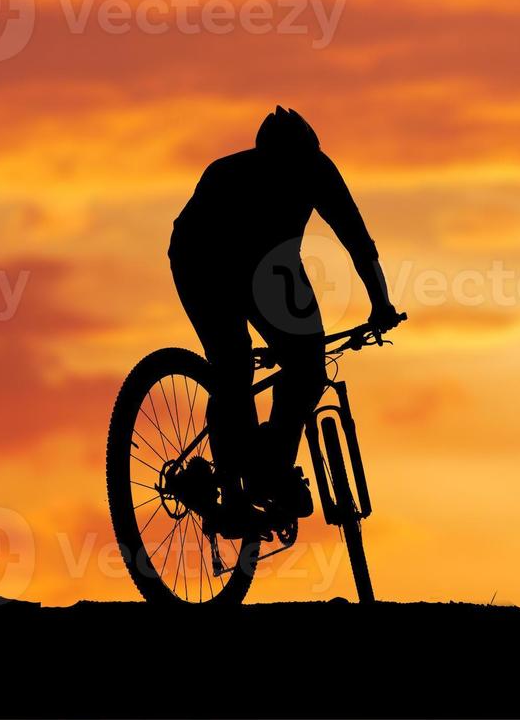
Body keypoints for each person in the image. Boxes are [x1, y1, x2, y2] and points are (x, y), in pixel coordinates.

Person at [169, 107, 401, 536]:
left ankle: (269, 466)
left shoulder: (318, 171)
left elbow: (356, 238)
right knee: (232, 366)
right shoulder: (227, 175)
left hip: (270, 267)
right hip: (203, 261)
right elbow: (357, 241)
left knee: (309, 367)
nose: (286, 176)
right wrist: (381, 305)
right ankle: (237, 493)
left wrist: (380, 301)